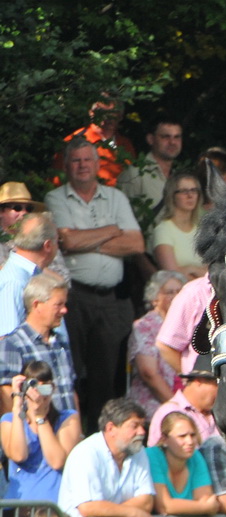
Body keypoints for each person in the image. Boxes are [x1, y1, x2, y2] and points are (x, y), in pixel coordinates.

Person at [46, 140, 141, 428]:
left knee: (106, 374)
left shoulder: (116, 197)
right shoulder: (55, 198)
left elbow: (136, 243)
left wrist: (83, 241)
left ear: (98, 165)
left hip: (110, 300)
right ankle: (68, 431)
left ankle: (102, 436)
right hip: (74, 298)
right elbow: (67, 241)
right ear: (65, 167)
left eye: (88, 160)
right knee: (70, 370)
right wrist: (113, 232)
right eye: (76, 160)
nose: (82, 165)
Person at [0, 272, 82, 453]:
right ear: (37, 305)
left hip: (67, 433)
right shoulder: (13, 344)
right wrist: (24, 432)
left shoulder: (60, 342)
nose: (64, 310)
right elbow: (7, 394)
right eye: (58, 305)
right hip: (36, 438)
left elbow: (69, 388)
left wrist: (78, 432)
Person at [2, 359, 73, 502]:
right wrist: (17, 405)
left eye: (45, 388)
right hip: (17, 508)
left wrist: (40, 417)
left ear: (53, 388)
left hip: (53, 508)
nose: (39, 395)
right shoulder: (9, 419)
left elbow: (57, 462)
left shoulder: (68, 418)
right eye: (34, 388)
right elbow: (18, 455)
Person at [129, 270, 185, 415]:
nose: (175, 296)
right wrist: (178, 407)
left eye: (179, 291)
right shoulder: (145, 326)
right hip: (155, 401)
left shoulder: (189, 323)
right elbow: (149, 373)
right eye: (169, 292)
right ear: (154, 299)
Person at [0, 213, 59, 337]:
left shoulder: (29, 275)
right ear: (47, 245)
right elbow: (7, 342)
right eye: (57, 241)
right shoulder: (15, 281)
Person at [148, 354, 220, 445]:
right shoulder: (168, 412)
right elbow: (156, 455)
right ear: (199, 382)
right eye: (217, 385)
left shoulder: (219, 413)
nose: (222, 391)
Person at [118, 117, 183, 212]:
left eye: (177, 137)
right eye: (166, 137)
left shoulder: (181, 177)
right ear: (151, 139)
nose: (172, 142)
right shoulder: (135, 174)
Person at [148, 172, 206, 276]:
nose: (190, 195)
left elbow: (212, 272)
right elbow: (172, 275)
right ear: (172, 196)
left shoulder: (201, 230)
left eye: (194, 190)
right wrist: (198, 273)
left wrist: (190, 269)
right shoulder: (163, 230)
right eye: (184, 191)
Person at [155, 272, 211, 377]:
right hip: (202, 384)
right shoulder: (194, 293)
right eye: (169, 292)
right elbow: (166, 346)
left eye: (176, 291)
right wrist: (191, 378)